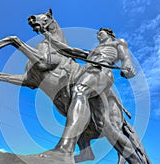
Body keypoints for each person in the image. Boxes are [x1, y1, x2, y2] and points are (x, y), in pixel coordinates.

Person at [43, 28, 136, 156]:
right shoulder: (93, 52)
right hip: (90, 74)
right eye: (97, 34)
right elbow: (70, 51)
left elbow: (125, 58)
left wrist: (128, 66)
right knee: (102, 123)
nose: (98, 35)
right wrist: (49, 37)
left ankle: (65, 148)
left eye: (100, 33)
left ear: (109, 34)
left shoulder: (117, 42)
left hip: (101, 71)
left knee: (79, 90)